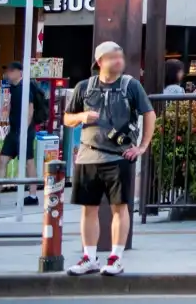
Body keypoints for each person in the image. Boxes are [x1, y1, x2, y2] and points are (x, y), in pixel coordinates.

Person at [61, 42, 153, 275]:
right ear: (100, 62)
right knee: (88, 209)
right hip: (88, 155)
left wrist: (142, 146)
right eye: (113, 57)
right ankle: (89, 257)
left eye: (120, 56)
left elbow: (149, 114)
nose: (119, 61)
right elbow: (67, 119)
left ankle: (116, 257)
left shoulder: (131, 86)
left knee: (120, 208)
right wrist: (82, 116)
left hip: (119, 156)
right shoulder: (84, 87)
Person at [0, 60, 50, 185]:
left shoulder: (24, 88)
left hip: (24, 132)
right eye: (7, 71)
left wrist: (23, 131)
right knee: (2, 160)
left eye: (11, 71)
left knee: (28, 161)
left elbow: (30, 111)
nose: (8, 74)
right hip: (14, 131)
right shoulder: (13, 88)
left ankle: (32, 195)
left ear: (19, 73)